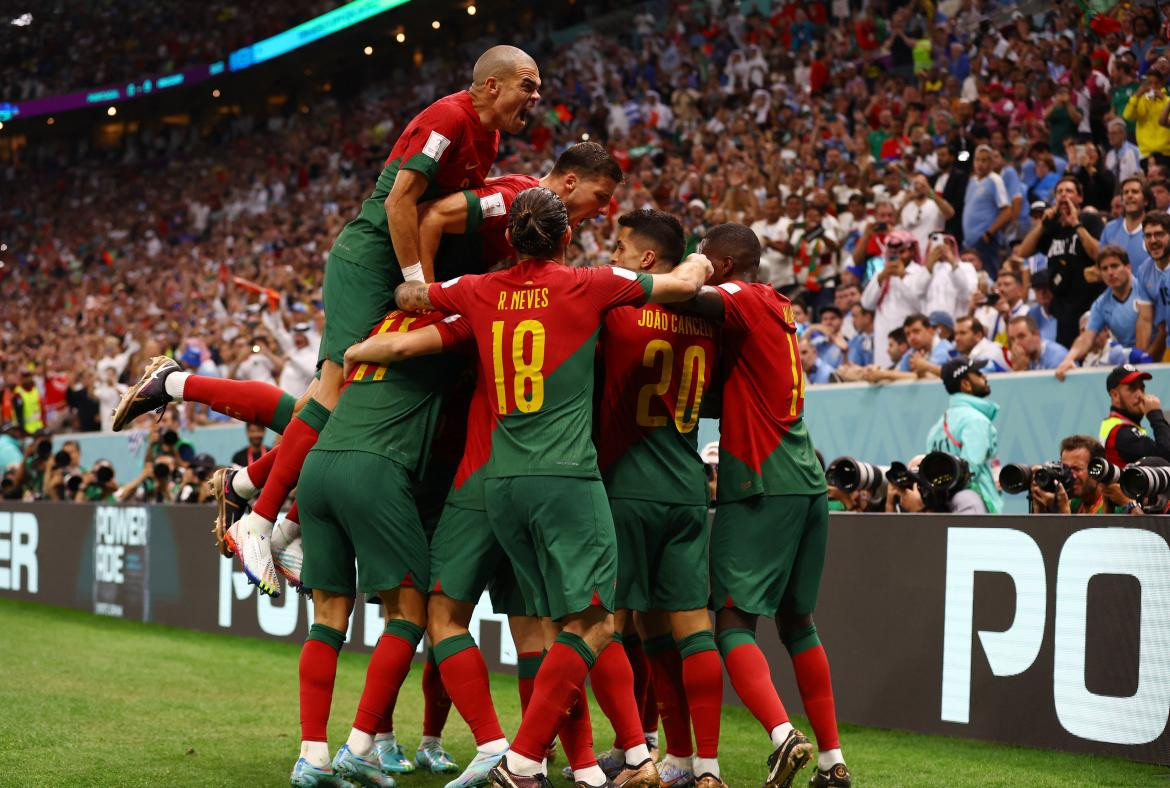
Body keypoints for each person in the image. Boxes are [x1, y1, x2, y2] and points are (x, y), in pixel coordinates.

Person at [353, 187, 712, 788]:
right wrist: (700, 260)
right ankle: (525, 759)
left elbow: (411, 296)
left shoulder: (479, 290)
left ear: (512, 240)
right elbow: (680, 287)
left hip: (503, 485)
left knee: (551, 629)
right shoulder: (589, 284)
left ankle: (608, 762)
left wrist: (413, 287)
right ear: (565, 237)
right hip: (566, 478)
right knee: (597, 624)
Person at [229, 45, 542, 593]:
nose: (535, 98)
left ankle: (258, 498)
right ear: (491, 85)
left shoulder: (489, 138)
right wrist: (416, 277)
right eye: (528, 85)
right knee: (332, 389)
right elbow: (403, 202)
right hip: (372, 258)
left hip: (401, 266)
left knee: (348, 402)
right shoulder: (448, 118)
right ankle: (258, 523)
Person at [685, 223, 850, 788]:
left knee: (731, 619)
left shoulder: (739, 296)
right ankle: (833, 762)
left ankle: (783, 736)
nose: (699, 264)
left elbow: (690, 294)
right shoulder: (779, 304)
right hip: (806, 480)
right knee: (799, 623)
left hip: (760, 481)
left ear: (725, 264)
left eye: (706, 257)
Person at [289, 307, 476, 788]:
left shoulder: (377, 320)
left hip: (317, 465)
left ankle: (312, 757)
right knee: (410, 614)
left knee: (328, 617)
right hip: (376, 467)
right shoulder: (456, 324)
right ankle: (359, 747)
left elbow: (302, 407)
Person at [595, 208, 724, 788]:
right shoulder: (710, 322)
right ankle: (698, 763)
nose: (614, 256)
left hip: (626, 488)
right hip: (687, 488)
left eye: (621, 248)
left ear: (648, 259)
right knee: (684, 632)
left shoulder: (620, 314)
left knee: (605, 627)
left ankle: (633, 754)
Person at [1015, 176, 1105, 348]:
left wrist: (1076, 224)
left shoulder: (1090, 220)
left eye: (1069, 191)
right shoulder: (1052, 227)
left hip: (1090, 304)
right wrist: (1043, 224)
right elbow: (1023, 251)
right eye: (1059, 192)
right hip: (1063, 308)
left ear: (1080, 197)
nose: (1063, 195)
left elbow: (1099, 254)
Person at [926, 357, 1003, 513]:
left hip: (943, 510)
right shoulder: (976, 421)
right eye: (978, 373)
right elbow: (969, 473)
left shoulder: (936, 428)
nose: (985, 377)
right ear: (966, 384)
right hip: (976, 509)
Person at [1056, 246, 1139, 380]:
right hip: (1130, 362)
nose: (1110, 272)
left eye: (1114, 266)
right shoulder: (1101, 304)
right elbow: (1086, 337)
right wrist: (1068, 359)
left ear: (1128, 267)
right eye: (1104, 269)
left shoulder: (1144, 289)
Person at [859, 231, 928, 369]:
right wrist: (881, 278)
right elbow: (866, 303)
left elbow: (921, 306)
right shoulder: (881, 273)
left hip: (908, 335)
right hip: (884, 336)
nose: (897, 256)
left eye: (902, 251)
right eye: (893, 252)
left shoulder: (920, 273)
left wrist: (903, 277)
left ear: (911, 251)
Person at [1030, 435, 1141, 515]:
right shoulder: (1074, 502)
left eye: (1076, 469)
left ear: (1097, 469)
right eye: (1066, 468)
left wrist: (1064, 509)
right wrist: (1041, 508)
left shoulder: (1117, 505)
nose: (1070, 475)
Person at [1098, 364, 1170, 468]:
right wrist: (1155, 415)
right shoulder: (1120, 432)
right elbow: (1167, 455)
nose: (1140, 395)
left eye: (1142, 388)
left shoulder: (1119, 426)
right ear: (1115, 395)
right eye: (1132, 389)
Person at [961, 145, 1012, 275]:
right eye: (977, 160)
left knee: (988, 276)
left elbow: (1007, 211)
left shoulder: (995, 180)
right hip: (969, 243)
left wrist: (989, 233)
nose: (980, 164)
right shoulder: (972, 181)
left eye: (984, 160)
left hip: (986, 241)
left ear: (991, 162)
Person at [1135, 211, 1170, 357]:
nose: (1153, 240)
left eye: (1159, 234)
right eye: (1148, 235)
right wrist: (1140, 355)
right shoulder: (1144, 271)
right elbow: (1145, 319)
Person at [1098, 177, 1150, 269]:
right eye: (1126, 192)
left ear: (1146, 200)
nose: (1129, 196)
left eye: (1135, 192)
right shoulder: (1109, 229)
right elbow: (1102, 263)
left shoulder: (1154, 230)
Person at [933, 144, 970, 245]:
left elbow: (959, 203)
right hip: (934, 227)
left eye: (943, 155)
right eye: (938, 155)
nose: (940, 158)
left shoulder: (960, 177)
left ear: (952, 157)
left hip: (953, 227)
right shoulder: (934, 178)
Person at [1104, 118, 1142, 184]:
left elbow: (1139, 174)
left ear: (1123, 134)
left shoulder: (1135, 151)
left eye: (1114, 133)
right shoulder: (1109, 155)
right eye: (1109, 134)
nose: (1110, 136)